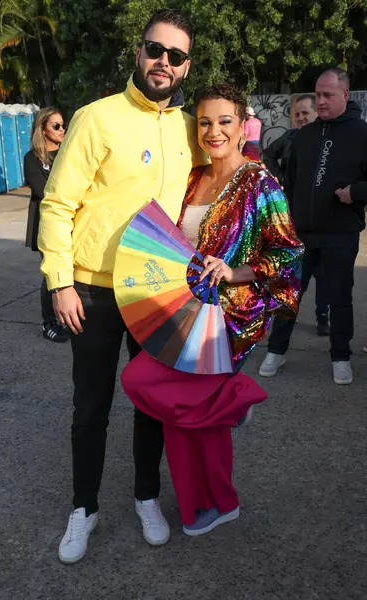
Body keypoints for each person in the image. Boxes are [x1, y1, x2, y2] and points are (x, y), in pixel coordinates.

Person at [38, 9, 206, 563]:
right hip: (91, 290)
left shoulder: (186, 127)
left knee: (151, 403)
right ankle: (83, 508)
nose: (164, 62)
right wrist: (60, 283)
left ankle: (146, 495)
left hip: (156, 292)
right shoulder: (96, 118)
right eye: (156, 50)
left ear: (185, 67)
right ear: (139, 52)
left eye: (176, 56)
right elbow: (58, 203)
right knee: (91, 405)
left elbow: (219, 177)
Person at [122, 83, 304, 536]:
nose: (214, 130)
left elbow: (287, 253)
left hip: (227, 319)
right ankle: (206, 502)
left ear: (243, 125)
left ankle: (234, 401)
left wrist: (235, 272)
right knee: (180, 417)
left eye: (225, 121)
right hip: (182, 311)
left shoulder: (260, 182)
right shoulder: (193, 177)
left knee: (142, 379)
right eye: (205, 122)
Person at [259, 68, 367, 385]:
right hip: (301, 233)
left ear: (345, 95)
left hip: (341, 233)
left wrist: (356, 193)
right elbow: (291, 182)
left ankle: (341, 357)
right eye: (318, 95)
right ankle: (276, 351)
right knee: (288, 294)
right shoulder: (304, 136)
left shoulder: (361, 134)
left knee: (340, 298)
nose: (321, 101)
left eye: (328, 95)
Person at [264, 94, 330, 336]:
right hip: (293, 213)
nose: (302, 118)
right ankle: (282, 316)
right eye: (298, 114)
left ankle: (323, 315)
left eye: (306, 113)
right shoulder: (290, 137)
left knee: (322, 271)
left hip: (321, 217)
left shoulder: (326, 138)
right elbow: (268, 154)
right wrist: (282, 177)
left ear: (316, 113)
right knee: (292, 267)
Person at [24, 107, 69, 343]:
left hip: (72, 220)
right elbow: (43, 191)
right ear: (43, 129)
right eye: (56, 126)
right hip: (46, 223)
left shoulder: (68, 154)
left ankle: (68, 316)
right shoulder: (32, 158)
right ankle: (49, 322)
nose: (63, 130)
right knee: (52, 272)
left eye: (63, 125)